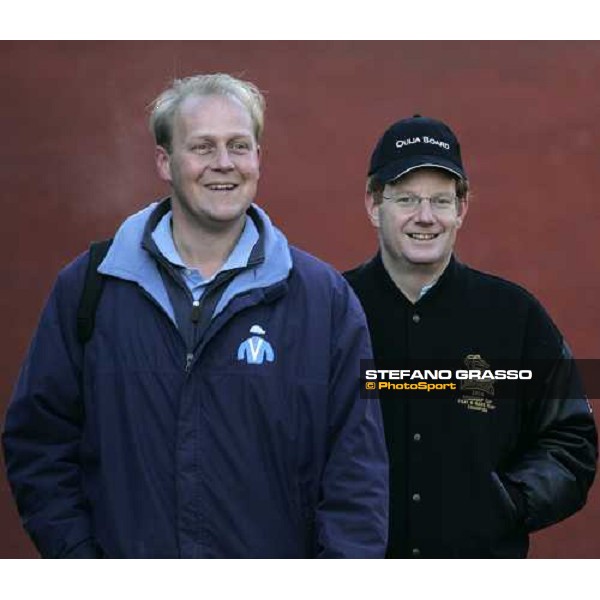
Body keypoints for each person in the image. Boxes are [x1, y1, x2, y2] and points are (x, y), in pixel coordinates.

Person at [2, 74, 388, 559]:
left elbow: (358, 470)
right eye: (202, 147)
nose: (223, 164)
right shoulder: (92, 288)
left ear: (258, 159)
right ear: (165, 161)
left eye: (239, 146)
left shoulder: (323, 299)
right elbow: (39, 443)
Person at [344, 114, 597, 558]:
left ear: (462, 208)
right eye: (406, 199)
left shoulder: (515, 316)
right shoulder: (331, 310)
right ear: (372, 204)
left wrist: (509, 501)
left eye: (440, 201)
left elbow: (570, 441)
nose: (425, 218)